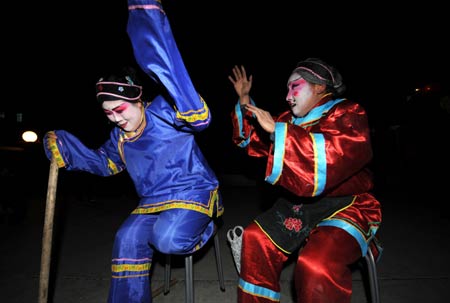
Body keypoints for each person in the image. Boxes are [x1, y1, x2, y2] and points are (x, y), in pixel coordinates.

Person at [43, 1, 223, 302]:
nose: (115, 118)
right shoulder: (119, 137)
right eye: (108, 113)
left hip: (193, 192)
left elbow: (200, 118)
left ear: (138, 100)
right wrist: (65, 146)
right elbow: (105, 163)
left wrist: (156, 46)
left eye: (120, 109)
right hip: (153, 202)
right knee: (125, 239)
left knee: (167, 238)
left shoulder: (165, 111)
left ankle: (204, 226)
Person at [228, 59, 382, 303]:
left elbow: (332, 157)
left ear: (320, 88)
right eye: (287, 89)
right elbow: (252, 142)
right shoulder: (288, 120)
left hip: (345, 206)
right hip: (300, 206)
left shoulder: (347, 112)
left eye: (294, 87)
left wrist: (277, 132)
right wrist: (245, 99)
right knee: (255, 239)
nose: (287, 95)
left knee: (315, 265)